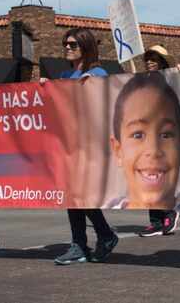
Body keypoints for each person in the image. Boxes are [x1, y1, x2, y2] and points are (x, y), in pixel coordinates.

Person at [50, 28, 119, 265]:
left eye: (73, 45)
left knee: (81, 195)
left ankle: (90, 240)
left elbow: (104, 105)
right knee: (73, 196)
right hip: (68, 144)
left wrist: (93, 87)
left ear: (86, 47)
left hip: (89, 145)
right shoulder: (64, 75)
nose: (68, 48)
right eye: (65, 45)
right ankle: (89, 240)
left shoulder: (97, 73)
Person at [109, 72, 180, 210]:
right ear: (118, 150)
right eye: (138, 135)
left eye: (166, 135)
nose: (153, 150)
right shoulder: (108, 207)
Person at [137, 45, 180, 237]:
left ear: (162, 61)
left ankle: (168, 212)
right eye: (147, 58)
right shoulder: (142, 82)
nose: (150, 62)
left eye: (154, 58)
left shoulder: (171, 79)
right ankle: (155, 220)